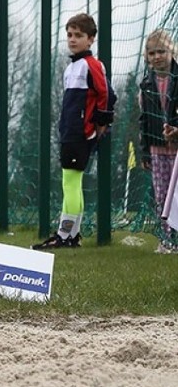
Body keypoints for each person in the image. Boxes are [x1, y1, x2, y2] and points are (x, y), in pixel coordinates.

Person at [32, 13, 116, 250]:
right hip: (69, 130)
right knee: (72, 182)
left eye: (78, 35)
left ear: (90, 39)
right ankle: (72, 235)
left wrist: (101, 122)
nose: (72, 39)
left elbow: (105, 94)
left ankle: (65, 234)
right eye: (69, 35)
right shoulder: (71, 67)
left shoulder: (92, 65)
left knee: (70, 181)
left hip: (81, 132)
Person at [137, 29, 178, 252]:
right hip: (157, 148)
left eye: (161, 51)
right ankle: (166, 239)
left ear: (171, 51)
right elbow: (143, 119)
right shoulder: (146, 85)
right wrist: (144, 151)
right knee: (162, 194)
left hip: (177, 147)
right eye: (151, 53)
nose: (157, 57)